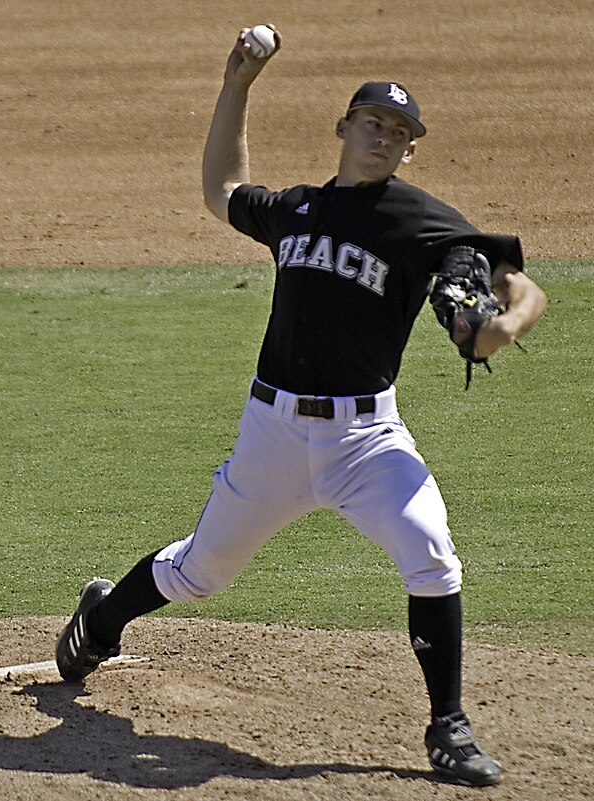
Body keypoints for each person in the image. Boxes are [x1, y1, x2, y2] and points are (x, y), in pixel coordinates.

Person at [56, 26, 547, 787]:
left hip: (367, 441)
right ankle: (100, 621)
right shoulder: (296, 209)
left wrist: (503, 326)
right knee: (199, 572)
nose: (384, 137)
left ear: (410, 149)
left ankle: (447, 725)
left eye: (399, 131)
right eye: (373, 122)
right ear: (344, 128)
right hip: (273, 437)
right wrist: (236, 87)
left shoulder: (423, 222)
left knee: (432, 553)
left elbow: (522, 287)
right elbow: (220, 191)